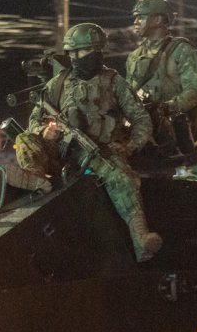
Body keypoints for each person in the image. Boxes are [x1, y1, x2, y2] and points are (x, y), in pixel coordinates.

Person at [25, 22, 161, 262]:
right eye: (72, 53)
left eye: (82, 52)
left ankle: (141, 239)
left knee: (121, 179)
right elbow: (34, 120)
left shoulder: (113, 82)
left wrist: (129, 147)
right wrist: (45, 131)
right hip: (59, 151)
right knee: (25, 140)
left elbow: (141, 120)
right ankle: (34, 188)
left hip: (99, 152)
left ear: (97, 51)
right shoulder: (58, 83)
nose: (76, 58)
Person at [125, 0, 197, 158]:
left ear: (157, 19)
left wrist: (164, 108)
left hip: (172, 136)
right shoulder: (134, 57)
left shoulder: (182, 51)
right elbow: (127, 95)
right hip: (140, 132)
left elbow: (196, 91)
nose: (135, 21)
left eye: (140, 17)